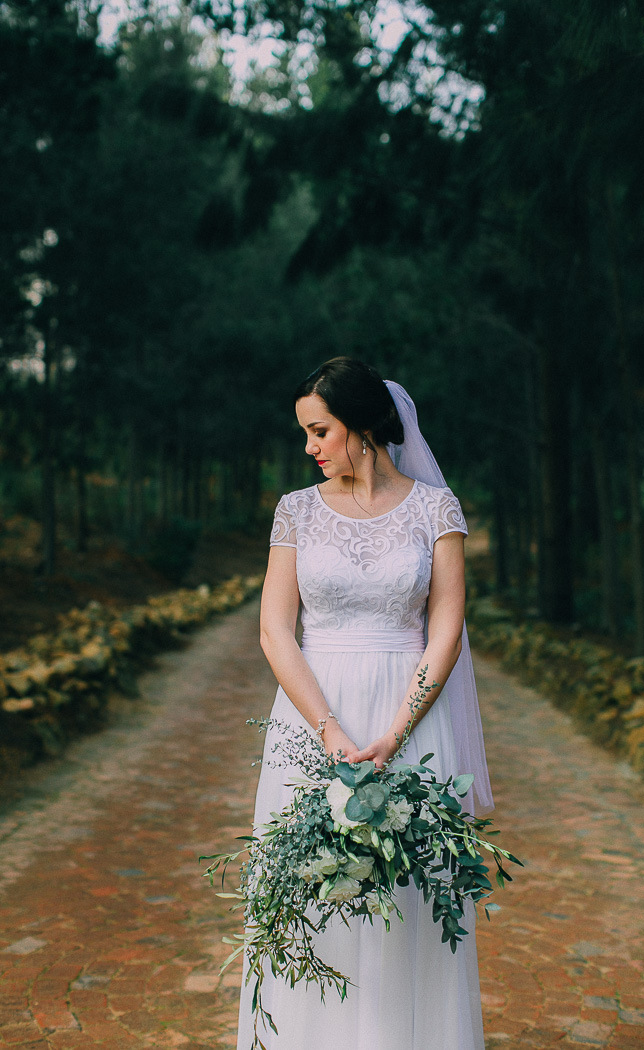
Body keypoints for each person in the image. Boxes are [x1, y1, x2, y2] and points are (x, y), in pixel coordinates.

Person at [237, 357, 492, 1050]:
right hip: (313, 718)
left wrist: (395, 731)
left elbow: (446, 628)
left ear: (364, 426)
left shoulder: (436, 509)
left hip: (410, 720)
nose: (310, 447)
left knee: (409, 901)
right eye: (306, 434)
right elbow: (272, 629)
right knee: (314, 894)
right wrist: (329, 733)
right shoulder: (295, 512)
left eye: (320, 430)